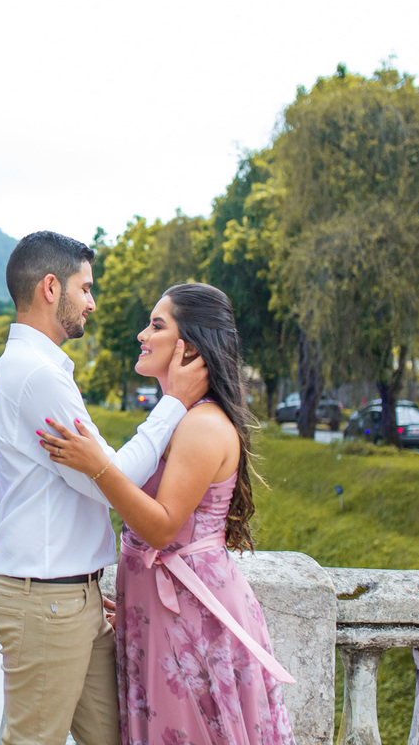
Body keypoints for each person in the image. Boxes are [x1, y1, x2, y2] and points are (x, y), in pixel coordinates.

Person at [37, 282, 296, 745]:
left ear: (188, 347)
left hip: (192, 612)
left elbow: (160, 528)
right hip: (161, 606)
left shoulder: (201, 425)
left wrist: (98, 466)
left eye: (156, 325)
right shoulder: (179, 417)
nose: (142, 335)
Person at [0, 232, 209, 745]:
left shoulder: (40, 370)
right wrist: (174, 403)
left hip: (73, 594)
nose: (92, 303)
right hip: (47, 597)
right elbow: (115, 478)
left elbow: (101, 472)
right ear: (50, 288)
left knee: (113, 736)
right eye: (85, 289)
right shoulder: (36, 376)